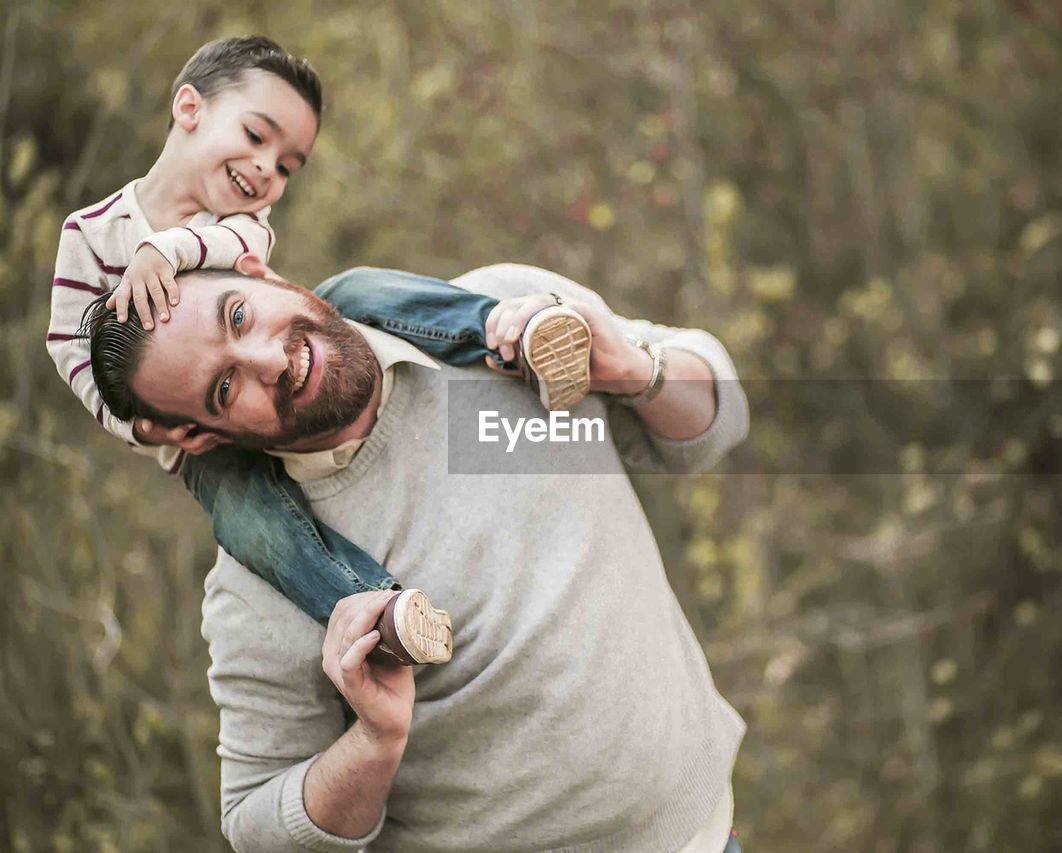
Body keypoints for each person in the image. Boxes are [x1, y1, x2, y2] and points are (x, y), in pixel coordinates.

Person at [83, 261, 750, 852]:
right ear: (198, 435)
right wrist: (371, 744)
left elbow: (715, 421)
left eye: (239, 315)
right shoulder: (261, 585)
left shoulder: (509, 323)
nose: (270, 359)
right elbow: (255, 823)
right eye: (225, 387)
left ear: (263, 275)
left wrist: (636, 370)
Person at [47, 36, 593, 662]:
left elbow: (225, 248)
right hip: (195, 442)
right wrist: (138, 427)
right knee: (254, 525)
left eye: (286, 166)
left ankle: (513, 333)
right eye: (256, 137)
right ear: (190, 108)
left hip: (260, 378)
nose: (265, 171)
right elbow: (66, 340)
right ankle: (374, 612)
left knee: (361, 290)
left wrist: (164, 251)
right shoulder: (89, 234)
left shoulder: (242, 223)